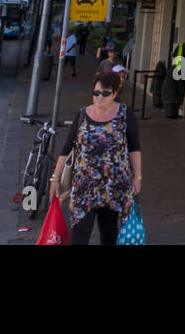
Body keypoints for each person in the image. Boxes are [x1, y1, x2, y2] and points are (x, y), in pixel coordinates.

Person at [49, 71, 141, 245]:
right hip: (84, 187)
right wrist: (55, 178)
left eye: (105, 93)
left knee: (109, 235)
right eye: (96, 92)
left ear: (114, 94)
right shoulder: (82, 115)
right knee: (79, 235)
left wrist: (137, 177)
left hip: (114, 187)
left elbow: (134, 148)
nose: (99, 97)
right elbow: (67, 148)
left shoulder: (125, 114)